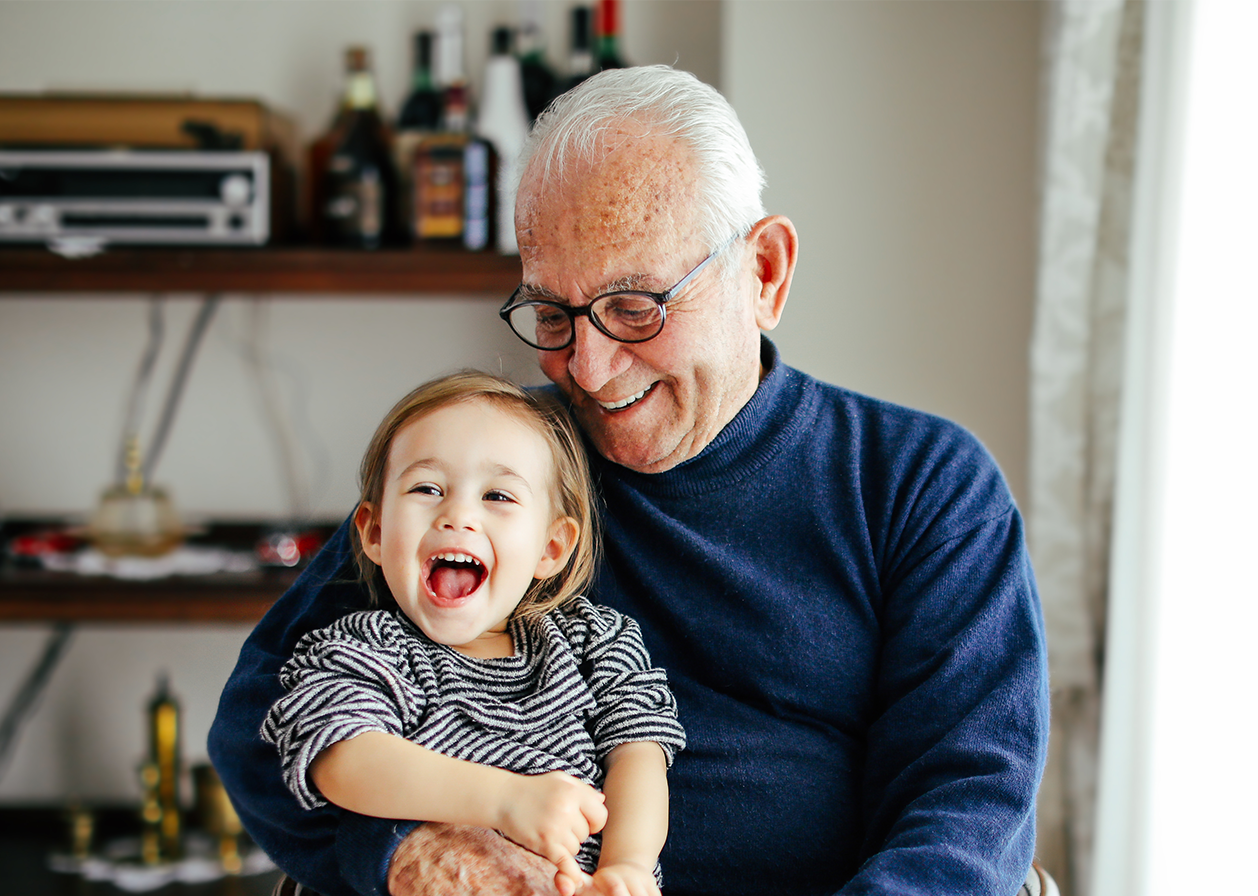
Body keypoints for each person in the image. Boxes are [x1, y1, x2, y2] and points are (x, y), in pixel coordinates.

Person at [210, 65, 1049, 896]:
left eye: (636, 306)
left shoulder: (921, 484)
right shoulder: (499, 465)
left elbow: (967, 806)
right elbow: (262, 718)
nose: (591, 367)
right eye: (552, 314)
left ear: (765, 273)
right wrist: (409, 855)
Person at [260, 372, 685, 896]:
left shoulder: (596, 643)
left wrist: (629, 866)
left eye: (498, 496)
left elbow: (639, 756)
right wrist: (504, 800)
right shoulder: (364, 648)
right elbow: (341, 758)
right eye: (427, 488)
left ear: (552, 547)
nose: (457, 514)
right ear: (373, 532)